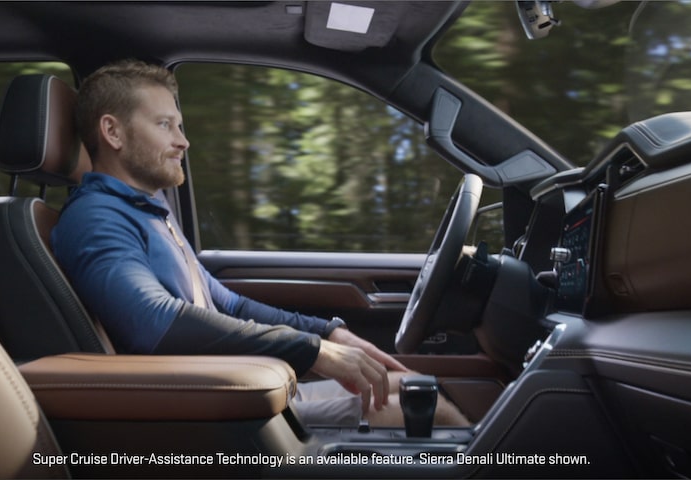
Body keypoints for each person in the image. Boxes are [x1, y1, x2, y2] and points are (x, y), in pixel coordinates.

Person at [52, 59, 468, 427]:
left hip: (232, 386)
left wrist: (329, 333)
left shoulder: (146, 208)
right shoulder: (95, 218)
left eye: (180, 126)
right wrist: (311, 351)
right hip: (203, 408)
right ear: (112, 132)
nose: (183, 141)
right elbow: (152, 322)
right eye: (165, 125)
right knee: (436, 411)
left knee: (413, 385)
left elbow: (227, 304)